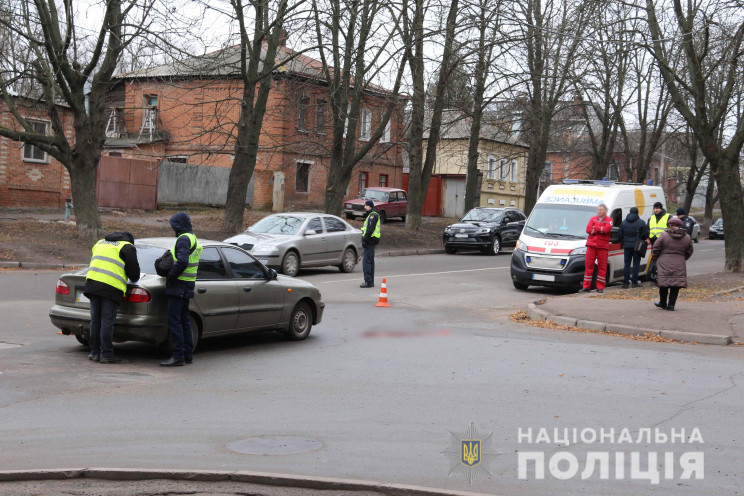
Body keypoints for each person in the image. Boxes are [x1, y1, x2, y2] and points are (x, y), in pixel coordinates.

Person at [83, 231, 140, 364]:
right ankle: (106, 354)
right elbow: (134, 274)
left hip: (92, 284)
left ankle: (94, 352)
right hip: (110, 287)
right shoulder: (127, 247)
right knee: (107, 321)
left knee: (95, 320)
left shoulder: (100, 243)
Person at [161, 212, 203, 367]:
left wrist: (171, 276)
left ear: (178, 226)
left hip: (178, 285)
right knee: (184, 320)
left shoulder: (183, 239)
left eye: (174, 225)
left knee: (175, 321)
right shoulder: (193, 238)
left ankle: (178, 355)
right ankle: (187, 354)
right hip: (188, 284)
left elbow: (183, 261)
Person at [652, 217, 693, 311]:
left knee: (664, 283)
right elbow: (690, 251)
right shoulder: (687, 237)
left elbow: (656, 248)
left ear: (670, 225)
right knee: (675, 284)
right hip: (679, 262)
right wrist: (683, 258)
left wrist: (656, 258)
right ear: (680, 225)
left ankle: (662, 303)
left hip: (664, 262)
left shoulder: (663, 235)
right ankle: (671, 305)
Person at [579, 203, 613, 293]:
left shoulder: (609, 220)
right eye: (598, 210)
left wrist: (596, 228)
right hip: (591, 246)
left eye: (601, 210)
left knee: (602, 267)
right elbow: (588, 229)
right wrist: (600, 229)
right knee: (588, 266)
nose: (599, 211)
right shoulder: (593, 219)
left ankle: (600, 287)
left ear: (605, 211)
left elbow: (607, 229)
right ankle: (586, 287)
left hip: (603, 247)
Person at [618, 207, 649, 289]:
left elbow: (620, 234)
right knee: (636, 264)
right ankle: (634, 282)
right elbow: (646, 233)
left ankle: (626, 283)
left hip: (627, 246)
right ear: (637, 213)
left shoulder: (624, 222)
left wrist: (623, 241)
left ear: (630, 212)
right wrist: (641, 238)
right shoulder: (641, 222)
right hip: (637, 246)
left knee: (627, 264)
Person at [360, 200, 380, 288]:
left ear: (369, 206)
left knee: (366, 261)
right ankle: (370, 281)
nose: (364, 207)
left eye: (366, 206)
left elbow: (370, 229)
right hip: (372, 240)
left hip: (370, 240)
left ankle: (368, 281)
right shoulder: (372, 215)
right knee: (370, 261)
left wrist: (364, 240)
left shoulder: (373, 215)